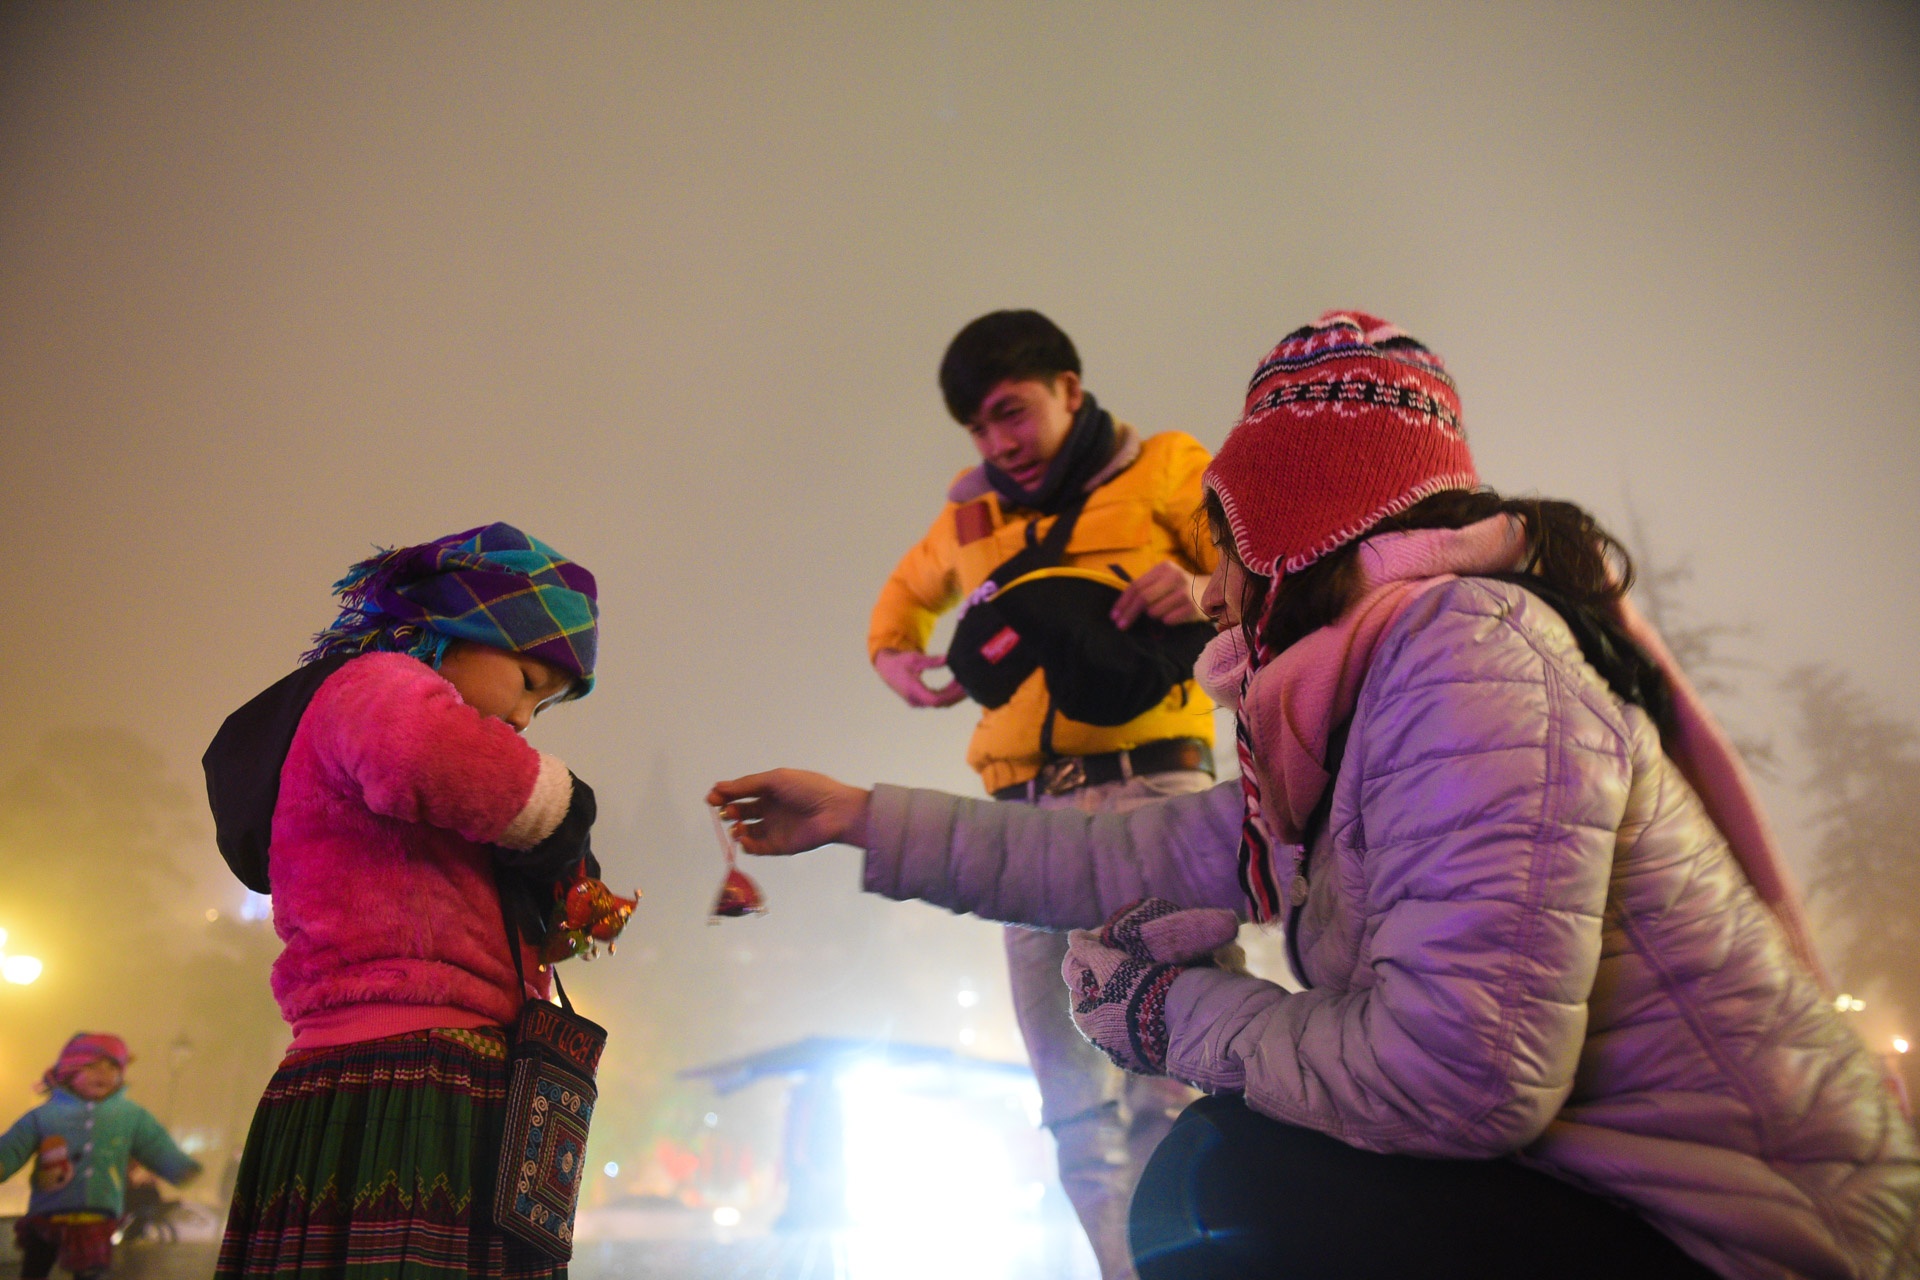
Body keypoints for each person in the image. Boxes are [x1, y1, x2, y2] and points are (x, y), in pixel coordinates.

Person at [710, 313, 1920, 1279]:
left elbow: (1461, 1079)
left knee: (1232, 1182)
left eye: (1222, 535)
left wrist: (1171, 1015)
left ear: (1292, 526)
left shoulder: (1466, 662)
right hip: (1606, 1189)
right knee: (1235, 1162)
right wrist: (861, 814)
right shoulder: (1347, 722)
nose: (1212, 581)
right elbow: (1100, 866)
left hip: (1743, 1235)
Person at [866, 310, 1218, 1278]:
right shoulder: (971, 513)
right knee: (1070, 1099)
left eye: (1010, 412)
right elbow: (904, 595)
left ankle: (1189, 1262)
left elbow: (1263, 559)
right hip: (1024, 817)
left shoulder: (1167, 469)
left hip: (1156, 792)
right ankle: (1127, 1269)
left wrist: (1199, 582)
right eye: (977, 428)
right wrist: (893, 653)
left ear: (1070, 386)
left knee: (1177, 1072)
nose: (997, 443)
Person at [204, 523, 605, 1280]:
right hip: (402, 1066)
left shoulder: (430, 742)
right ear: (455, 631)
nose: (524, 721)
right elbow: (420, 753)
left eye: (544, 709)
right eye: (526, 683)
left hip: (432, 1061)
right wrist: (561, 809)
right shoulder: (377, 687)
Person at [0, 1033, 201, 1280]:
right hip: (47, 1213)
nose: (103, 1073)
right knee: (35, 1270)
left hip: (96, 1213)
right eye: (92, 1067)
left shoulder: (129, 1115)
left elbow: (154, 1143)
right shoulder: (45, 1115)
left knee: (92, 1272)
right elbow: (15, 1144)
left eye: (112, 1067)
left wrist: (178, 1167)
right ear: (70, 1073)